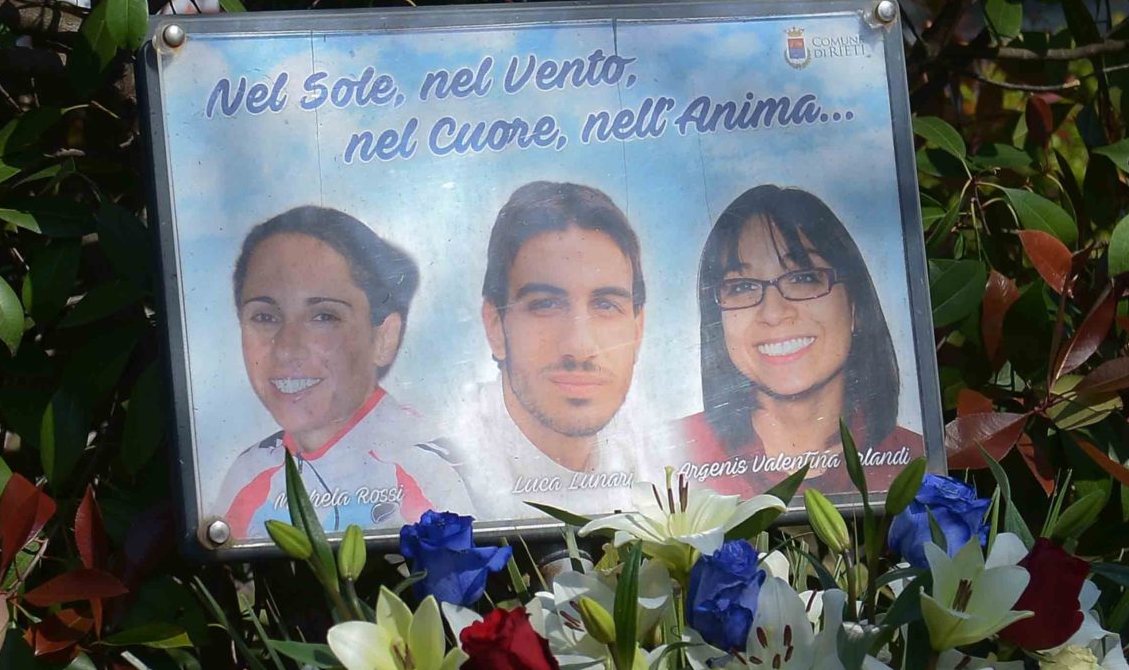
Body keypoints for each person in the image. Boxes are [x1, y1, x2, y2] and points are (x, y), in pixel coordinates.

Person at [213, 206, 472, 539]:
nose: (287, 348)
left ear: (384, 337)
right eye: (264, 317)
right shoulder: (248, 473)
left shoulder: (426, 470)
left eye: (324, 317)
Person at [675, 184, 924, 500]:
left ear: (854, 306)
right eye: (741, 287)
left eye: (804, 278)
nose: (773, 313)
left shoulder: (916, 464)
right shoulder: (670, 456)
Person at [455, 181, 656, 518]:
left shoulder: (657, 455)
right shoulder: (444, 475)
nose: (580, 347)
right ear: (495, 325)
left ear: (638, 329)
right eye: (546, 304)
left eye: (606, 305)